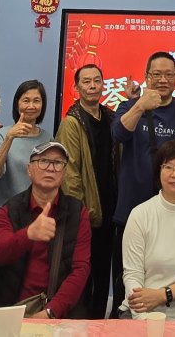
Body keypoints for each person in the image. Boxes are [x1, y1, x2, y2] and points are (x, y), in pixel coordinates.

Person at [110, 51, 175, 316]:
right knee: (127, 279)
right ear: (147, 77)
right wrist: (140, 105)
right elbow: (118, 134)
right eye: (157, 74)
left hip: (173, 214)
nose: (163, 80)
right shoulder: (129, 107)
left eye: (169, 74)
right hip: (131, 208)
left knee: (169, 274)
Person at [0, 141, 92, 319]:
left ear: (64, 173)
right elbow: (0, 254)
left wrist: (51, 312)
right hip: (14, 309)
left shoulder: (78, 211)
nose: (51, 168)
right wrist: (28, 234)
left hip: (60, 313)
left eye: (58, 163)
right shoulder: (8, 210)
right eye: (43, 161)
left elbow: (80, 269)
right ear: (29, 170)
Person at [119, 140, 175, 320]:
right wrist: (143, 320)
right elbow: (132, 275)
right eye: (168, 167)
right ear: (158, 171)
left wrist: (163, 295)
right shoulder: (140, 214)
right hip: (140, 312)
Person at [55, 64, 120, 318]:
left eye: (97, 81)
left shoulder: (111, 117)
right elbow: (69, 173)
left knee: (104, 274)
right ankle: (81, 325)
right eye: (86, 82)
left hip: (110, 209)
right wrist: (80, 213)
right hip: (85, 214)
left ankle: (98, 325)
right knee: (83, 276)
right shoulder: (71, 123)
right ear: (77, 87)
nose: (93, 86)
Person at [0, 78, 48, 298]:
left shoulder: (48, 139)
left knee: (25, 290)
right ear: (17, 103)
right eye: (25, 100)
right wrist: (9, 138)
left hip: (32, 225)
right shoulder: (2, 134)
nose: (31, 106)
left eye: (36, 100)